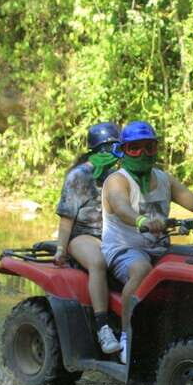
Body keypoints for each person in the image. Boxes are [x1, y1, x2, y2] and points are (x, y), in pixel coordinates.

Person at [101, 120, 193, 363]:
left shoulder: (164, 179)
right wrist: (142, 221)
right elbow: (120, 207)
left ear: (156, 148)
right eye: (135, 148)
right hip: (124, 248)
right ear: (124, 150)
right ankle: (127, 335)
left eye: (149, 147)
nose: (143, 154)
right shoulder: (117, 180)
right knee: (141, 270)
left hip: (160, 248)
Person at [55, 122, 122, 354]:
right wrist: (61, 249)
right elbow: (66, 217)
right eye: (114, 147)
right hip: (82, 234)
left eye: (119, 147)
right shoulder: (79, 175)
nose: (118, 152)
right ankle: (103, 327)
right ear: (101, 148)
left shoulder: (117, 174)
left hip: (112, 234)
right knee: (98, 262)